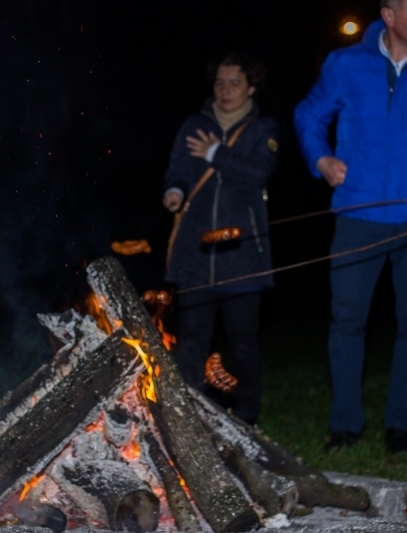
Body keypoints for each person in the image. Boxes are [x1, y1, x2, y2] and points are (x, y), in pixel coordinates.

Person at [294, 0, 407, 453]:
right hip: (358, 214)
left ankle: (400, 427)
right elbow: (309, 114)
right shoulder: (346, 63)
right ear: (390, 14)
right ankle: (345, 425)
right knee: (347, 321)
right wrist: (320, 158)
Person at [162, 52, 279, 426]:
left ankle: (245, 418)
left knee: (242, 342)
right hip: (195, 256)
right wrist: (175, 191)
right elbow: (178, 169)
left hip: (242, 257)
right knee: (192, 340)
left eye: (234, 83)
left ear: (251, 88)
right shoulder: (194, 125)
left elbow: (258, 173)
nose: (225, 90)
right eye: (219, 83)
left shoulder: (264, 129)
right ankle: (188, 415)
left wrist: (216, 153)